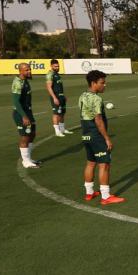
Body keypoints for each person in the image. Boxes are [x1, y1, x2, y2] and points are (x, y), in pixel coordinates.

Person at [79, 70, 125, 205]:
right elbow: (98, 120)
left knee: (90, 162)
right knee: (104, 164)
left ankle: (89, 193)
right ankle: (106, 197)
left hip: (86, 134)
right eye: (102, 83)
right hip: (96, 135)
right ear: (93, 83)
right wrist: (106, 138)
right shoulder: (97, 99)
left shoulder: (82, 95)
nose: (104, 85)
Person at [13, 63, 40, 168]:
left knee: (32, 134)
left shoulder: (25, 81)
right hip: (21, 113)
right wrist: (24, 116)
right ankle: (25, 162)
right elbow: (16, 102)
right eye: (26, 70)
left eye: (29, 69)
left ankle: (28, 158)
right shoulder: (18, 82)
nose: (29, 71)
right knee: (25, 136)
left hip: (28, 112)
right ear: (20, 71)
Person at [46, 59, 72, 137]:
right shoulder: (50, 75)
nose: (57, 67)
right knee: (56, 114)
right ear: (51, 66)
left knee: (62, 113)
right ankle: (57, 131)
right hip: (56, 97)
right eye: (55, 66)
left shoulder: (57, 74)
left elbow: (59, 87)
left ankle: (62, 129)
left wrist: (63, 96)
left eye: (58, 66)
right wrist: (54, 98)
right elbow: (49, 87)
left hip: (61, 97)